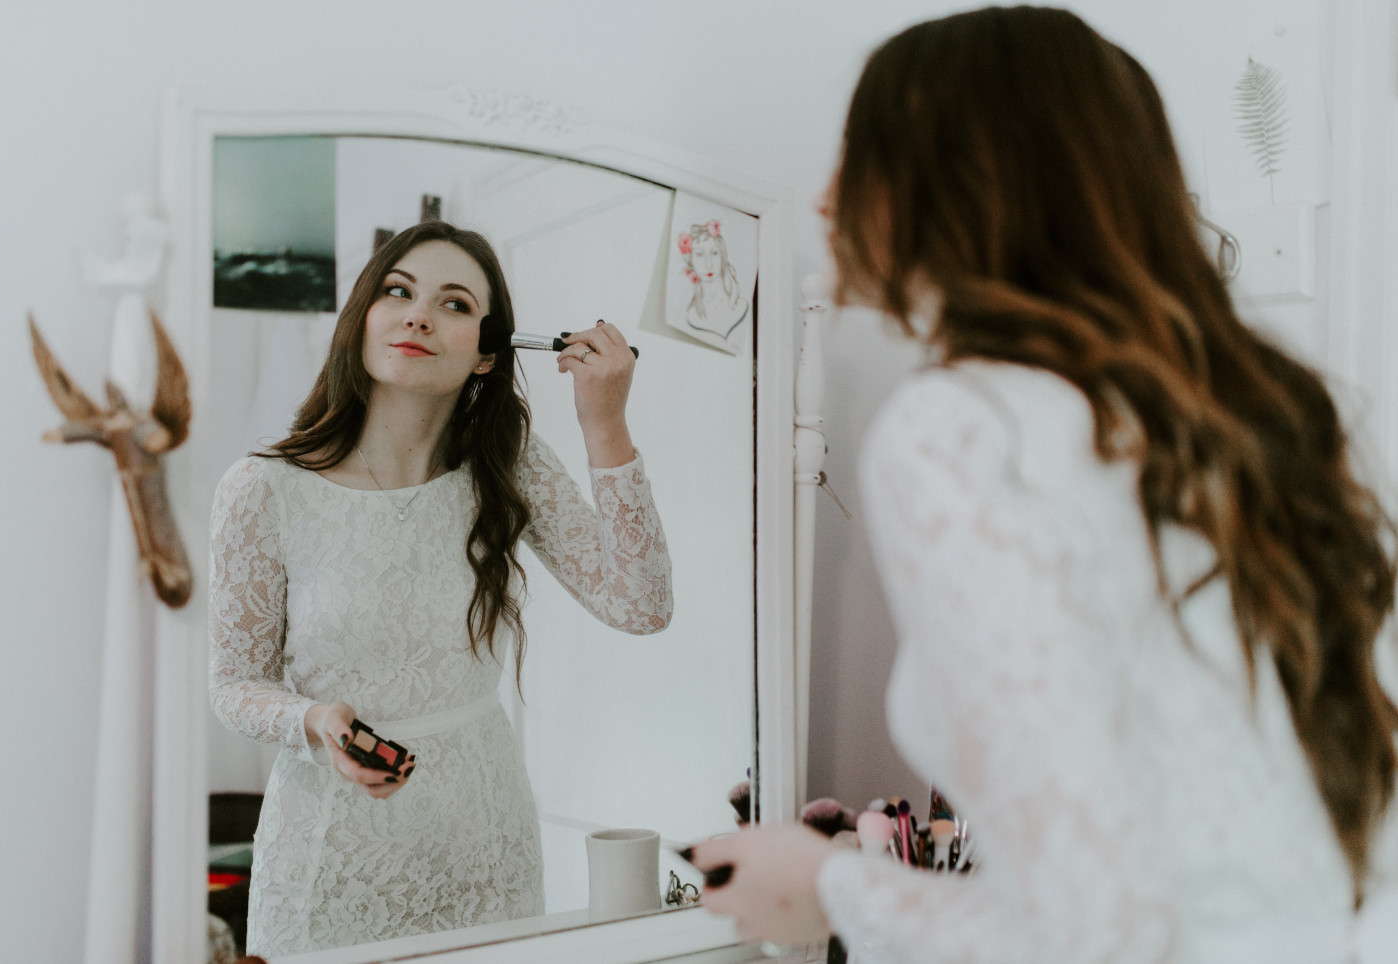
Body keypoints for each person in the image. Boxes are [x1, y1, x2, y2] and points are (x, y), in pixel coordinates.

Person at [691, 7, 1398, 961]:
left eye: (861, 153)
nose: (822, 198)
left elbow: (1091, 930)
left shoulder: (960, 427)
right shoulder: (1267, 414)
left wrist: (830, 888)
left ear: (971, 180)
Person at [207, 219, 673, 956]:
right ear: (362, 319)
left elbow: (641, 605)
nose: (419, 313)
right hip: (331, 860)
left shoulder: (507, 465)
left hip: (484, 849)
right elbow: (234, 683)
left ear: (487, 354)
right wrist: (316, 720)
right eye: (398, 291)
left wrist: (604, 423)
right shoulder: (262, 490)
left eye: (455, 303)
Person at [680, 219, 749, 342]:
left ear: (723, 255)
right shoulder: (692, 314)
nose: (708, 264)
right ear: (691, 260)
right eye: (700, 254)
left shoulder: (740, 304)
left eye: (715, 253)